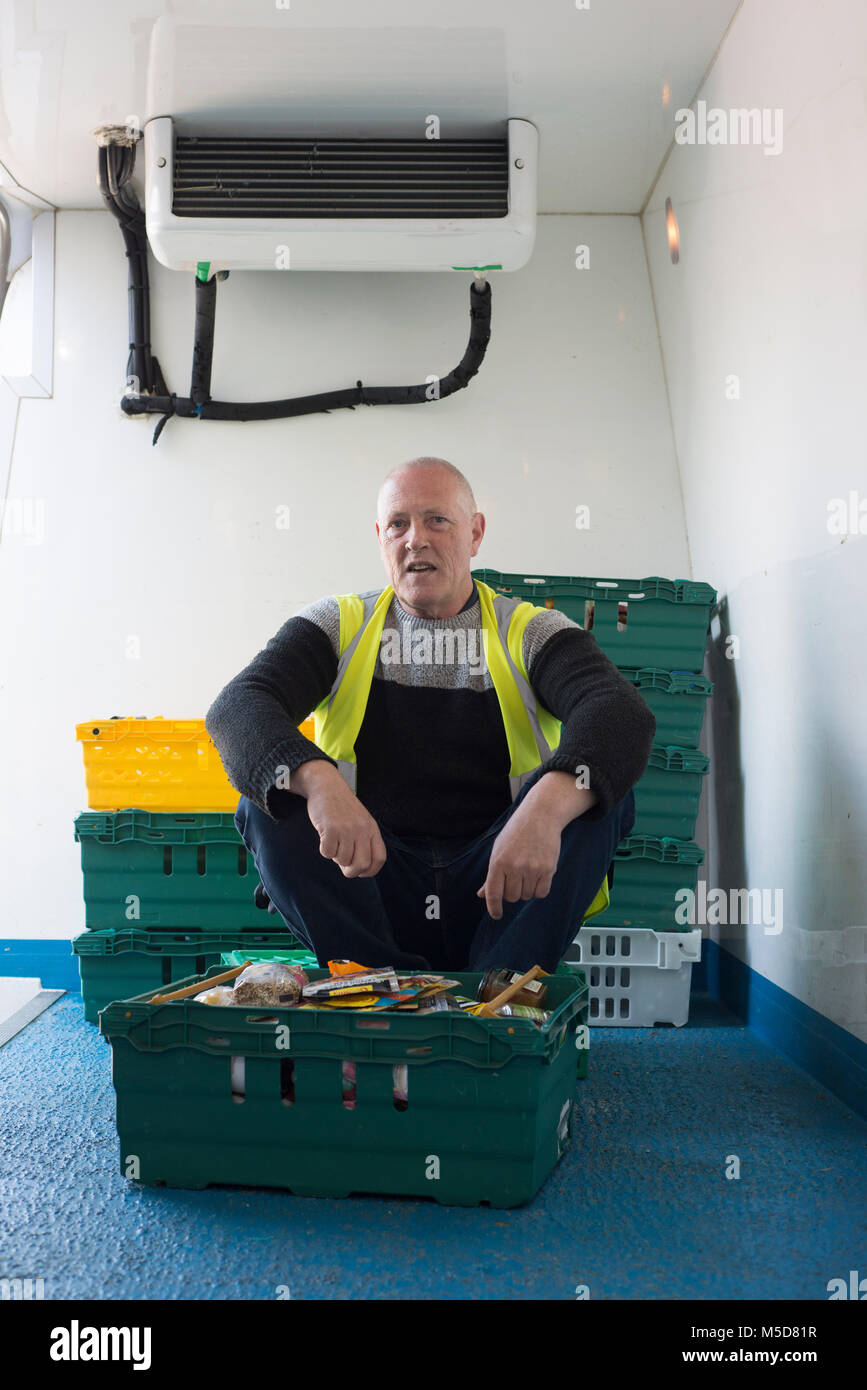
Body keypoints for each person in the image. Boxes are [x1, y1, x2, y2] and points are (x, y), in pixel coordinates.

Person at [205, 456, 656, 973]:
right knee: (268, 796)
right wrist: (320, 783)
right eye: (398, 524)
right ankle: (381, 996)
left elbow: (619, 713)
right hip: (371, 890)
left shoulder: (530, 631)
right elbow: (237, 707)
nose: (415, 539)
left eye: (437, 519)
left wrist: (546, 809)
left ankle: (492, 1001)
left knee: (599, 793)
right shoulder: (337, 625)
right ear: (381, 538)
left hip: (501, 889)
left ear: (475, 533)